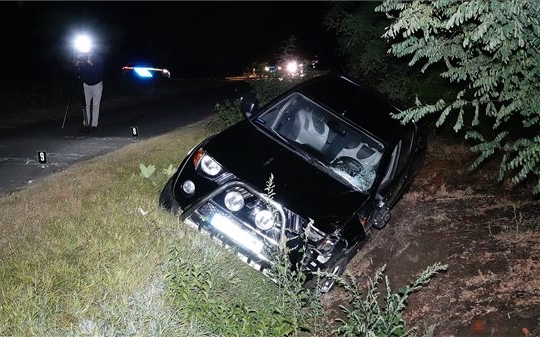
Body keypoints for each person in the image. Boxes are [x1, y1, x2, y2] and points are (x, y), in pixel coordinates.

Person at [75, 50, 104, 132]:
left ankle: (94, 125)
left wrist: (90, 63)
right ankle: (86, 124)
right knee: (85, 105)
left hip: (97, 84)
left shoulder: (98, 58)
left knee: (95, 105)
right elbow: (76, 67)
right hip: (86, 84)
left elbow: (99, 71)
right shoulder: (82, 58)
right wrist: (77, 60)